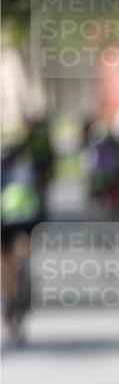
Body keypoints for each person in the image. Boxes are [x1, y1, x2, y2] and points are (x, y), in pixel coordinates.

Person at [1, 135, 43, 345]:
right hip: (21, 226)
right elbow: (37, 202)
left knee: (11, 267)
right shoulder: (27, 170)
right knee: (18, 265)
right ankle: (14, 299)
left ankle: (14, 298)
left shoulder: (24, 172)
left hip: (15, 226)